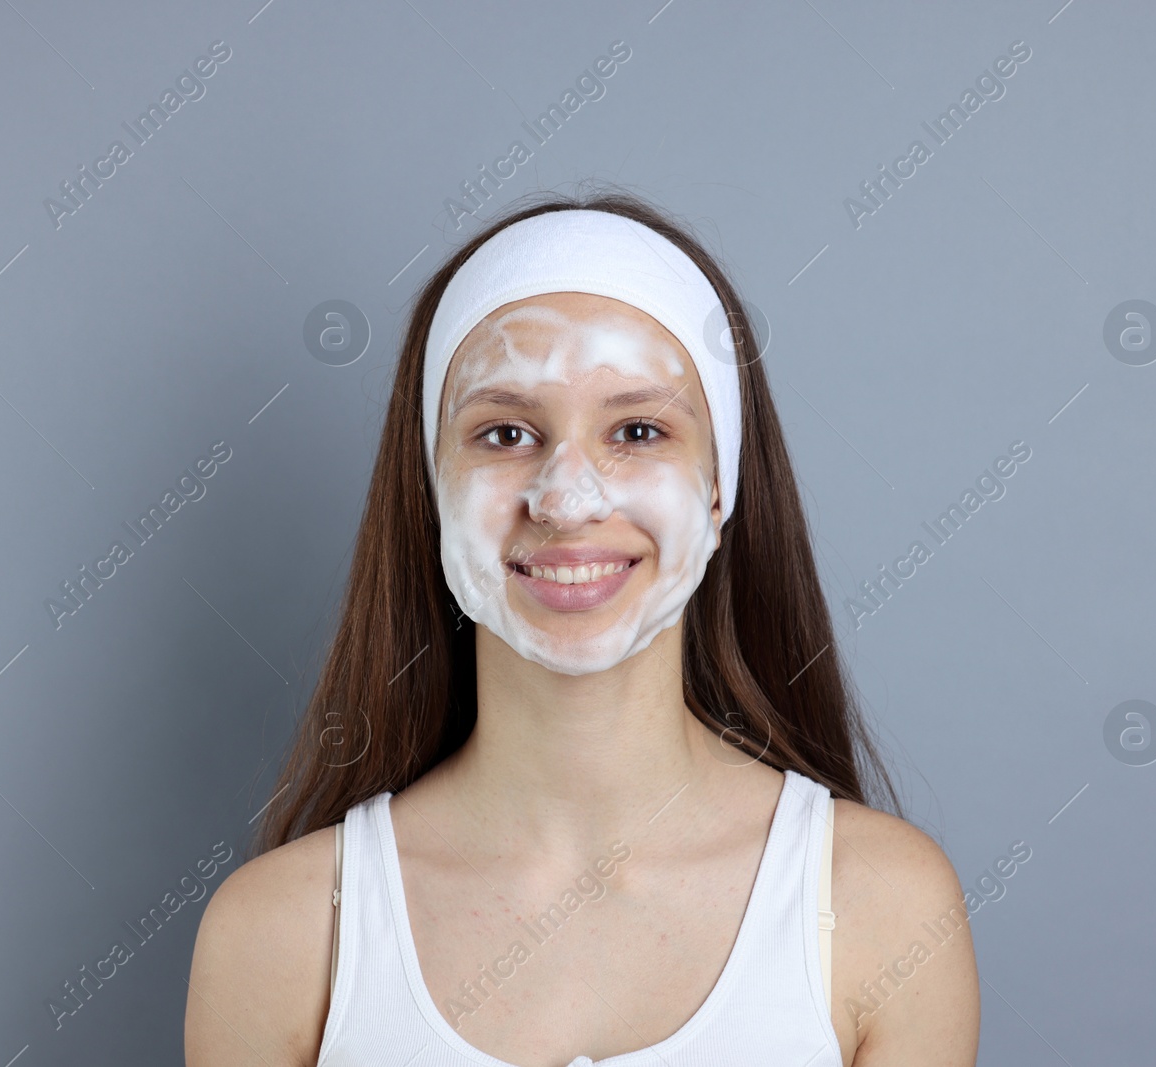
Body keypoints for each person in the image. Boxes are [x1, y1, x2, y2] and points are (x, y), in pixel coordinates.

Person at [185, 188, 980, 1066]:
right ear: (432, 489)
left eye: (637, 430)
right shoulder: (281, 938)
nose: (566, 499)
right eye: (505, 432)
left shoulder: (885, 914)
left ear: (720, 492)